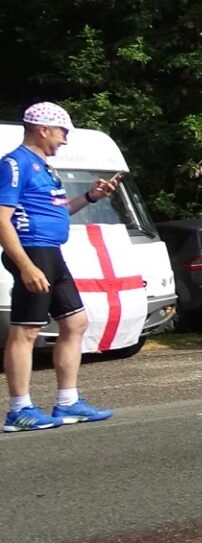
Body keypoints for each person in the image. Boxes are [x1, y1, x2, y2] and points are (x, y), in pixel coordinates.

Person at [1, 103, 118, 431]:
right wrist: (25, 265)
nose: (64, 140)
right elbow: (1, 219)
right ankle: (19, 409)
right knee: (26, 330)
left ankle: (67, 403)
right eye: (62, 132)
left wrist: (91, 197)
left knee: (76, 323)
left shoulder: (45, 167)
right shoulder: (15, 163)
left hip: (51, 253)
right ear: (43, 129)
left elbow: (57, 210)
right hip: (32, 251)